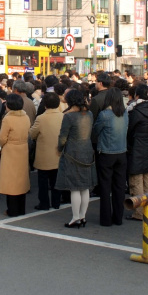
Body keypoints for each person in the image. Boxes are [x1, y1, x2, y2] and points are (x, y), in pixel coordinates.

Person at [56, 89, 96, 228]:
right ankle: (82, 216)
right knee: (85, 187)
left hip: (72, 152)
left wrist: (59, 148)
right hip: (87, 149)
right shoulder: (89, 114)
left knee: (74, 187)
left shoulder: (68, 117)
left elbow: (62, 137)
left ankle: (75, 217)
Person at [93, 87, 128, 227]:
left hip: (106, 153)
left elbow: (95, 130)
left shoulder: (104, 114)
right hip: (122, 152)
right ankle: (118, 217)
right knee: (119, 187)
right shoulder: (125, 113)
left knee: (105, 187)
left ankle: (106, 219)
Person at [126, 84, 148, 221]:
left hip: (137, 148)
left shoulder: (135, 112)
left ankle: (139, 212)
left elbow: (130, 131)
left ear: (136, 96)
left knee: (136, 181)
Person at [0, 94, 31, 217]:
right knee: (21, 179)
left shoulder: (8, 118)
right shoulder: (25, 116)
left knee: (10, 181)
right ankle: (21, 208)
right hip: (23, 148)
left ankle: (12, 209)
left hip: (10, 149)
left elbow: (2, 137)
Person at [29, 92, 63, 211]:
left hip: (44, 154)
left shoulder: (41, 118)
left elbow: (32, 134)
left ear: (45, 104)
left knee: (43, 181)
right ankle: (56, 202)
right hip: (58, 153)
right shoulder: (63, 116)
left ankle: (44, 203)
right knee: (56, 180)